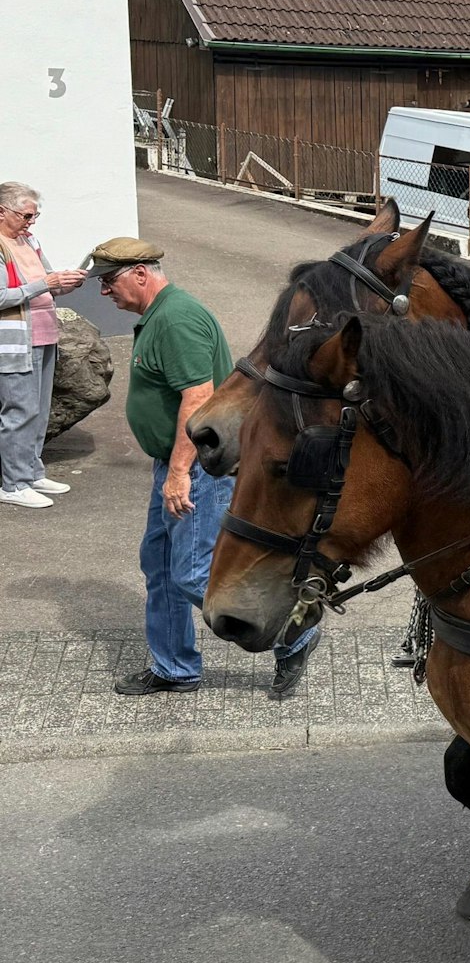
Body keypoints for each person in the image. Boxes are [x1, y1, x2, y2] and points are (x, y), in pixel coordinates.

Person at [90, 238, 320, 697]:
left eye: (109, 280)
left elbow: (198, 398)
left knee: (194, 572)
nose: (104, 291)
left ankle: (295, 632)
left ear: (141, 273)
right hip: (174, 465)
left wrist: (179, 472)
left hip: (196, 467)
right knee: (159, 565)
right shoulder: (159, 315)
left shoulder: (176, 319)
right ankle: (174, 667)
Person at [0, 182, 89, 509]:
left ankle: (32, 472)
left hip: (44, 334)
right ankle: (13, 483)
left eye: (34, 216)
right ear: (2, 212)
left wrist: (66, 282)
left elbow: (47, 282)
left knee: (37, 411)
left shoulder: (29, 241)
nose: (31, 222)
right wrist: (45, 284)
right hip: (14, 343)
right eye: (26, 215)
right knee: (19, 412)